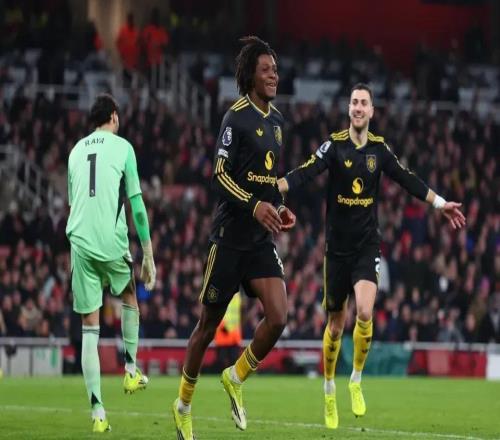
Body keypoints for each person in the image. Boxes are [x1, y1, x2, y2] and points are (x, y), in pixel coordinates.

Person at [277, 83, 466, 429]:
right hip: (336, 251)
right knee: (335, 327)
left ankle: (356, 379)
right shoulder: (334, 145)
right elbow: (305, 171)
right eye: (354, 102)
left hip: (366, 246)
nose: (358, 107)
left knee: (365, 312)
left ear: (372, 111)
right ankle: (329, 387)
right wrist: (273, 188)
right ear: (349, 109)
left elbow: (407, 178)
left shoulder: (379, 150)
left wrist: (440, 204)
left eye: (364, 103)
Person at [172, 36, 296, 440]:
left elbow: (269, 181)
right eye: (266, 70)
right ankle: (183, 405)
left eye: (275, 69)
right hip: (228, 239)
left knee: (279, 316)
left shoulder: (277, 123)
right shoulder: (235, 117)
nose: (274, 75)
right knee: (206, 327)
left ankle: (236, 376)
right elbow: (220, 175)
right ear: (250, 76)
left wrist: (278, 207)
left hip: (259, 241)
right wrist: (254, 205)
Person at [66, 93, 156, 433]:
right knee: (129, 294)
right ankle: (131, 370)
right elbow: (137, 207)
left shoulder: (75, 151)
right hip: (109, 240)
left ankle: (98, 413)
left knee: (90, 327)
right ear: (114, 117)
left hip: (79, 242)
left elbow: (75, 202)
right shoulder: (123, 148)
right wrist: (148, 254)